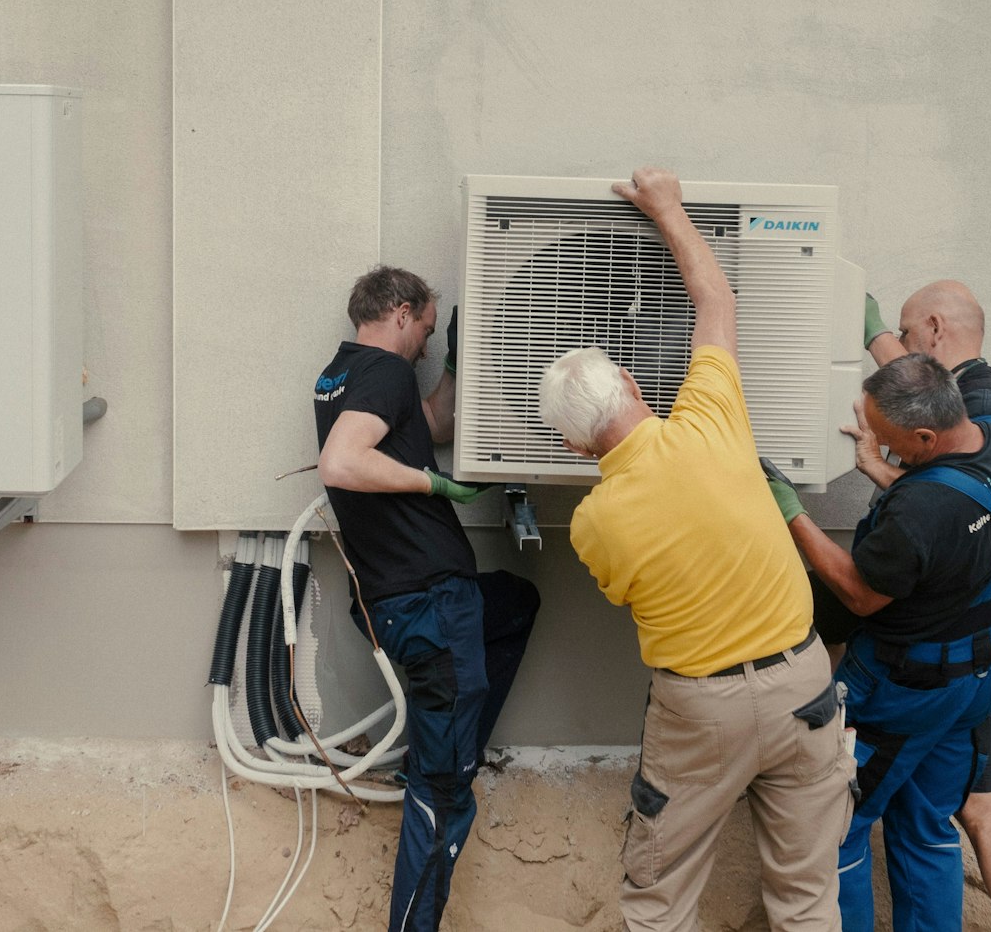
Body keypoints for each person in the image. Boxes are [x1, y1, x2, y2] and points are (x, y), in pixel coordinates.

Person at [538, 167, 849, 932]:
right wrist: (667, 207)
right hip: (805, 681)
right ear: (634, 383)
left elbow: (628, 592)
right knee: (809, 897)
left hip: (702, 710)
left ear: (574, 447)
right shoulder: (713, 414)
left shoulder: (594, 522)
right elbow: (717, 299)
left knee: (660, 897)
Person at [313, 265, 541, 932]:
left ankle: (447, 751)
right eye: (429, 331)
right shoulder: (385, 371)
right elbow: (341, 461)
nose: (426, 345)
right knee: (442, 800)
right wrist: (434, 486)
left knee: (516, 603)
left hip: (405, 601)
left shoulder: (341, 374)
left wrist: (457, 366)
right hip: (429, 605)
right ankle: (441, 769)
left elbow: (429, 423)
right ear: (402, 313)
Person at [783, 354, 991, 932]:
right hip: (980, 674)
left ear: (924, 436)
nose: (873, 441)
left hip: (906, 689)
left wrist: (791, 511)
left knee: (835, 825)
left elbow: (858, 593)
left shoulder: (918, 511)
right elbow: (951, 514)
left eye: (883, 435)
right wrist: (881, 466)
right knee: (925, 825)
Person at [855, 282, 991, 932]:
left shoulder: (928, 501)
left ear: (934, 329)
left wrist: (799, 508)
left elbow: (867, 585)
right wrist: (876, 335)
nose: (902, 349)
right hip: (981, 659)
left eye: (907, 335)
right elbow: (922, 394)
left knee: (841, 823)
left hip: (919, 673)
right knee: (943, 815)